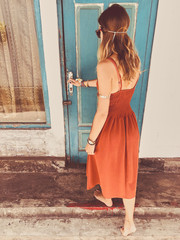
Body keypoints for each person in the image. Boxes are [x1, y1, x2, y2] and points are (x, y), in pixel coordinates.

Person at [67, 4, 141, 237]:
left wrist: (90, 141)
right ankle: (129, 222)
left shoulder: (104, 65)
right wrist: (85, 83)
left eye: (99, 32)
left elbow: (102, 111)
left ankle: (107, 196)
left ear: (105, 34)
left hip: (111, 125)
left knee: (98, 156)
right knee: (129, 172)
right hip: (129, 124)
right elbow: (116, 87)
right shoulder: (133, 60)